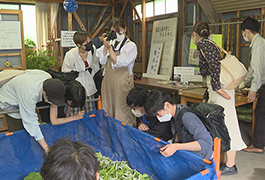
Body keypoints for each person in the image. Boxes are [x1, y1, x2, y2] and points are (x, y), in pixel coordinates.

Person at [192, 21, 246, 175]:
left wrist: (216, 88)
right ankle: (224, 161)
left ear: (194, 34)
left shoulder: (203, 45)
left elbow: (215, 66)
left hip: (220, 88)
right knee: (222, 122)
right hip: (220, 88)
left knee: (225, 123)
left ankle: (230, 164)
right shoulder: (212, 44)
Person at [0, 70, 66, 154]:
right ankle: (22, 157)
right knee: (19, 135)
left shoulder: (47, 77)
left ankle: (27, 150)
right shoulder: (29, 93)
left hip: (21, 93)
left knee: (29, 130)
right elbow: (31, 123)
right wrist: (46, 149)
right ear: (44, 93)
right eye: (50, 100)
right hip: (9, 102)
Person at [144, 89, 213, 160]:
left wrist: (176, 147)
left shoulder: (187, 117)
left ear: (167, 105)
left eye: (158, 114)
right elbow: (183, 132)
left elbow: (206, 143)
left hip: (201, 158)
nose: (158, 118)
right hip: (189, 154)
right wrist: (170, 142)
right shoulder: (176, 111)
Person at [96, 17, 137, 126]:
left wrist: (110, 49)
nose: (116, 34)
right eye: (113, 31)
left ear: (124, 29)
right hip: (108, 81)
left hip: (122, 81)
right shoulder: (111, 43)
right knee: (107, 110)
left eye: (118, 31)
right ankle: (110, 137)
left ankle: (124, 139)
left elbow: (119, 62)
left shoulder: (130, 46)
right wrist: (106, 46)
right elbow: (102, 60)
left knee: (121, 112)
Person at [239, 17, 265, 154]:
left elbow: (258, 70)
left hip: (264, 84)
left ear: (247, 31)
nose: (243, 36)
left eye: (243, 32)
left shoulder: (259, 44)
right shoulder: (258, 43)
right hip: (262, 82)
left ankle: (258, 145)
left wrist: (253, 89)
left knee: (260, 114)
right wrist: (244, 83)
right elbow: (252, 69)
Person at [62, 30, 100, 112]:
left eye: (90, 40)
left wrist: (91, 72)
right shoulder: (70, 55)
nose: (89, 43)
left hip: (89, 85)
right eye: (86, 42)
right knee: (75, 112)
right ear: (78, 45)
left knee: (89, 112)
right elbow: (66, 73)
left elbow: (95, 65)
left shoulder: (92, 49)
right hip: (75, 89)